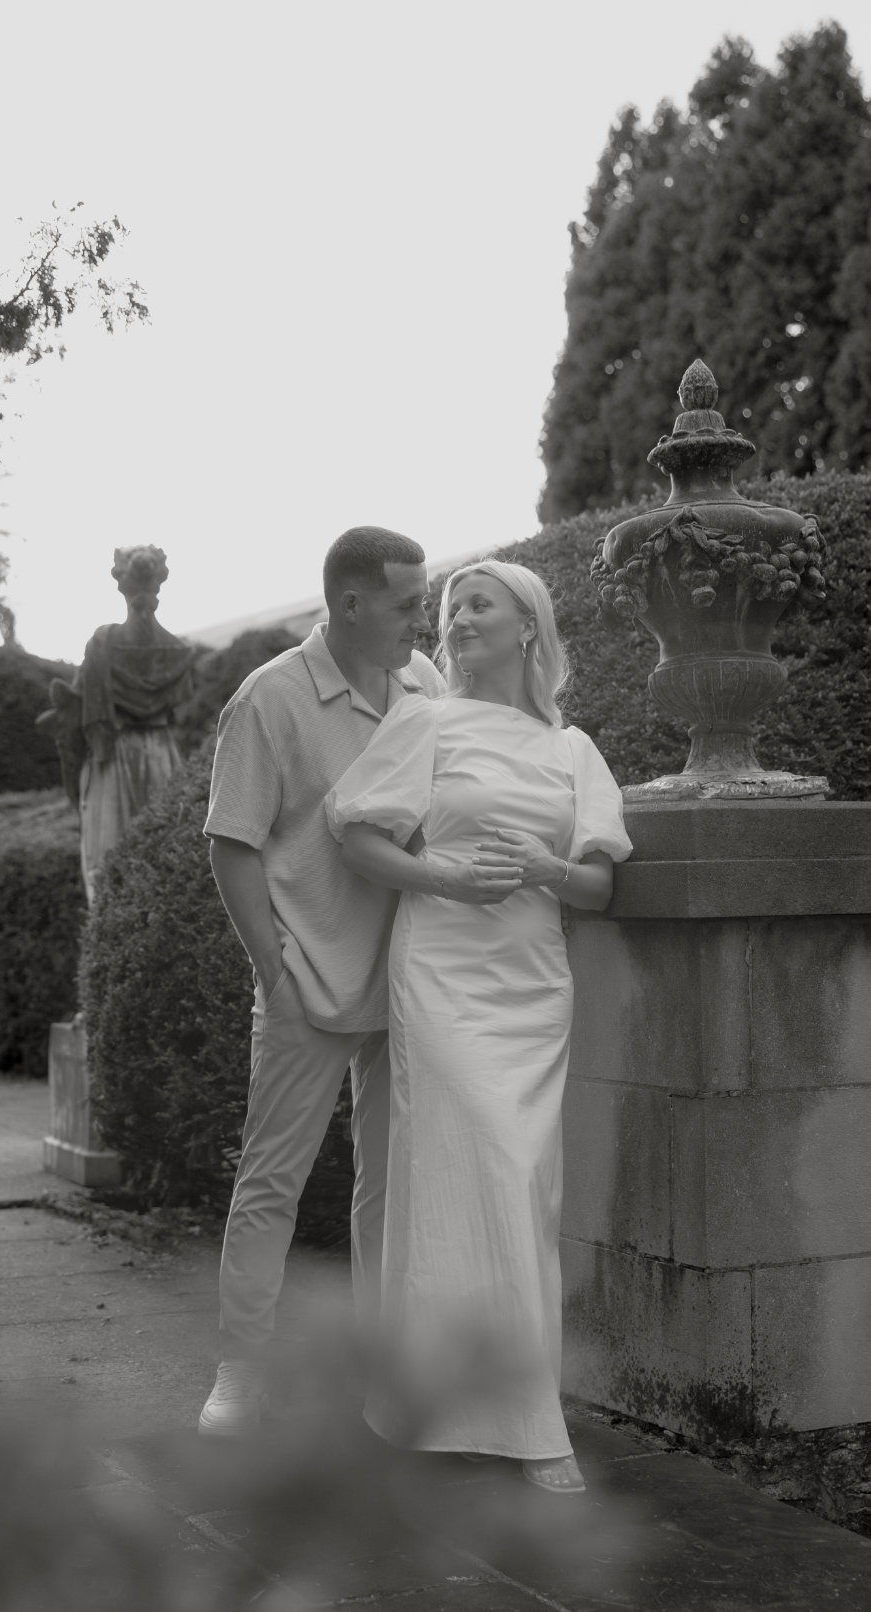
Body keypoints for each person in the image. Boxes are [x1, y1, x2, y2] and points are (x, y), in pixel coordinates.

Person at [325, 559, 632, 1495]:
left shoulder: (571, 748)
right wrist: (447, 877)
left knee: (523, 1185)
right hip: (444, 973)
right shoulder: (426, 720)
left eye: (476, 605)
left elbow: (599, 884)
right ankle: (533, 1430)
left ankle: (449, 1402)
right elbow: (357, 832)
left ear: (527, 627)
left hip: (531, 983)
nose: (454, 619)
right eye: (450, 607)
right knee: (477, 1172)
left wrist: (544, 865)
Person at [199, 526, 446, 1436]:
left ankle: (377, 1375)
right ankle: (239, 1372)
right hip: (306, 980)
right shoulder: (270, 697)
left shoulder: (426, 686)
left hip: (409, 983)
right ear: (349, 604)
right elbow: (232, 846)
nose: (422, 617)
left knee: (389, 1188)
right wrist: (274, 968)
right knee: (272, 1184)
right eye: (406, 602)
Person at [41, 545, 194, 903]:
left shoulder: (102, 645)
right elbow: (182, 716)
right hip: (162, 757)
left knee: (110, 866)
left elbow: (84, 721)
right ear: (158, 586)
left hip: (113, 759)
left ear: (121, 587)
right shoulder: (178, 651)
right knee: (167, 855)